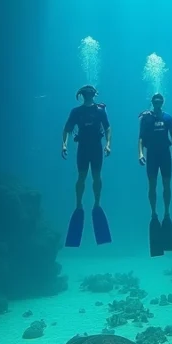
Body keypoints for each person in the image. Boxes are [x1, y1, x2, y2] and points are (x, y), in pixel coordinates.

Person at [62, 85, 112, 246]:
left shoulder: (100, 111)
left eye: (90, 93)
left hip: (96, 147)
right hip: (83, 148)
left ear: (93, 95)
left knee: (96, 176)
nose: (89, 96)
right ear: (82, 95)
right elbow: (67, 129)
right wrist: (64, 144)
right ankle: (79, 204)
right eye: (86, 94)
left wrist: (108, 144)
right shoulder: (76, 112)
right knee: (82, 177)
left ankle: (96, 203)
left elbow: (108, 128)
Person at [138, 93, 172, 257]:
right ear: (152, 102)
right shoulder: (146, 118)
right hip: (152, 156)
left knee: (167, 185)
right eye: (155, 101)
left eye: (160, 101)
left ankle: (166, 213)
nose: (157, 103)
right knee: (152, 185)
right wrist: (140, 153)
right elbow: (141, 138)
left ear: (163, 102)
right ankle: (154, 213)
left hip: (165, 155)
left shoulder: (168, 118)